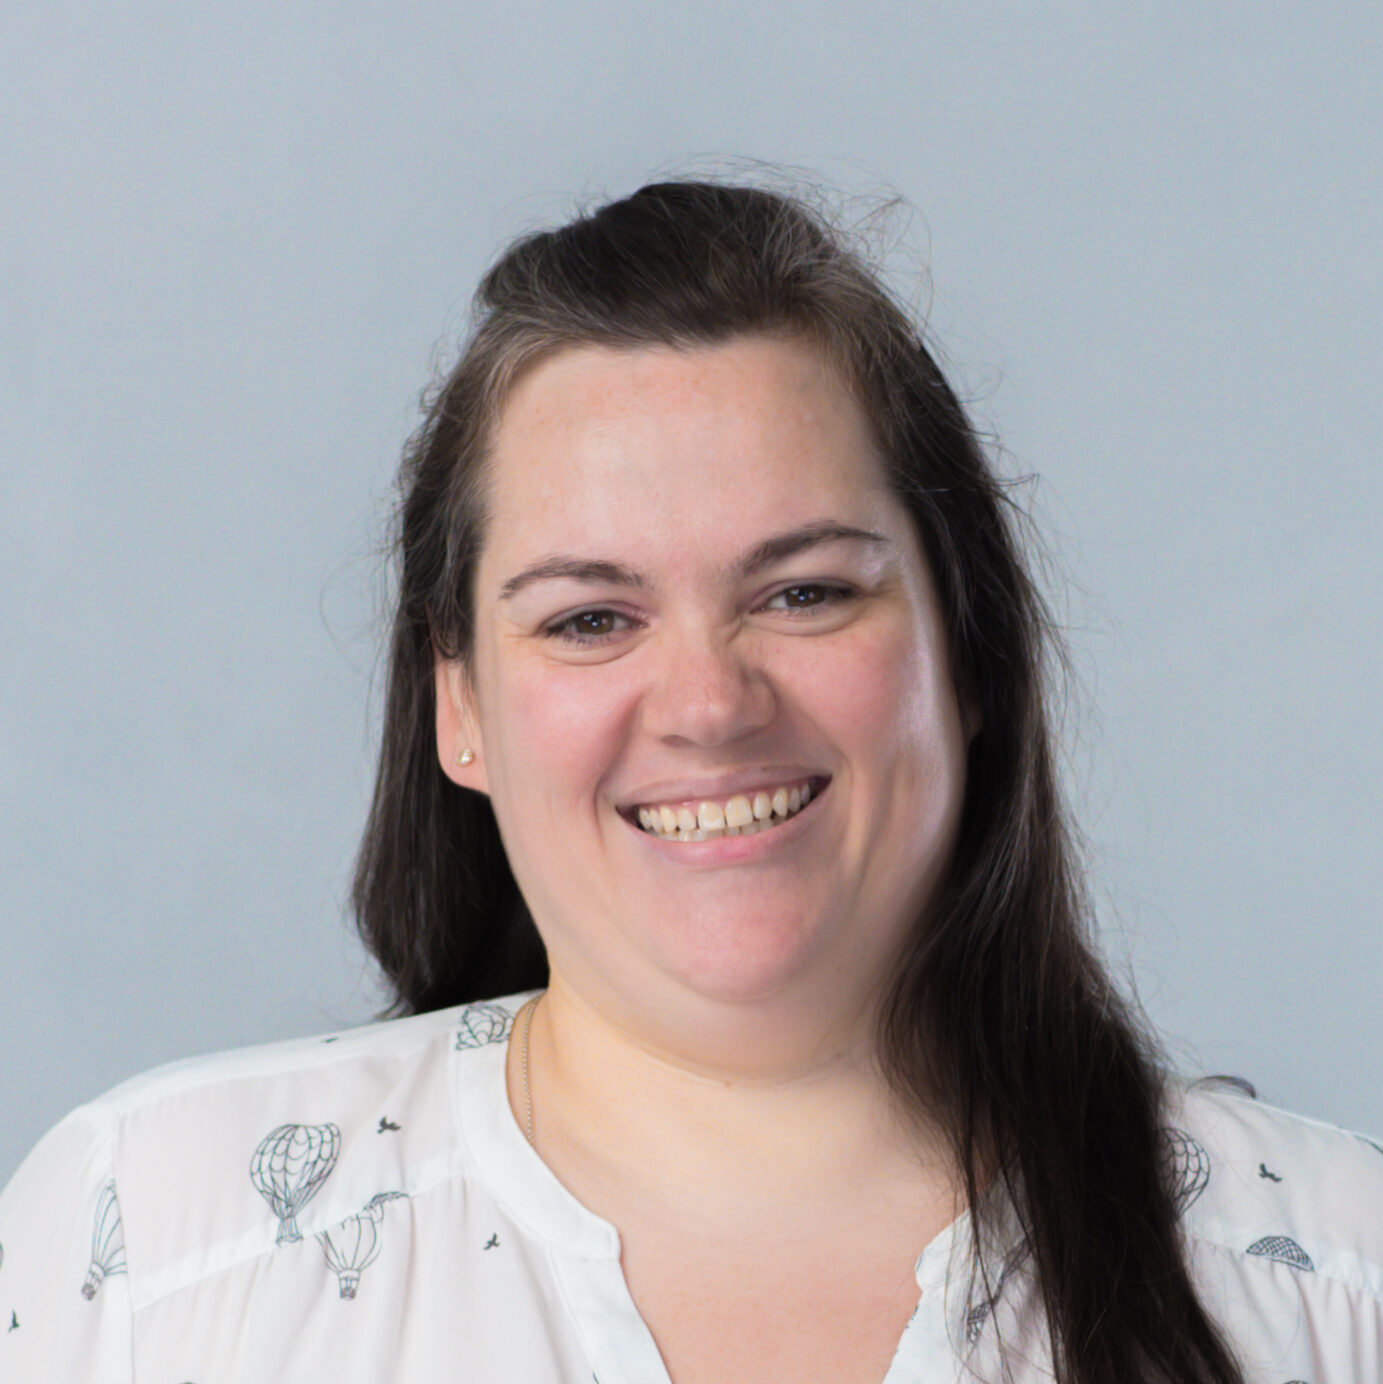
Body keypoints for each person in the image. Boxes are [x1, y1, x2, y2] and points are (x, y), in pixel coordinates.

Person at [2, 180, 1379, 1384]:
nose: (712, 703)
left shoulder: (1338, 1285)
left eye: (803, 592)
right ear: (460, 706)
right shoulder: (151, 1257)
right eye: (591, 619)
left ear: (969, 655)